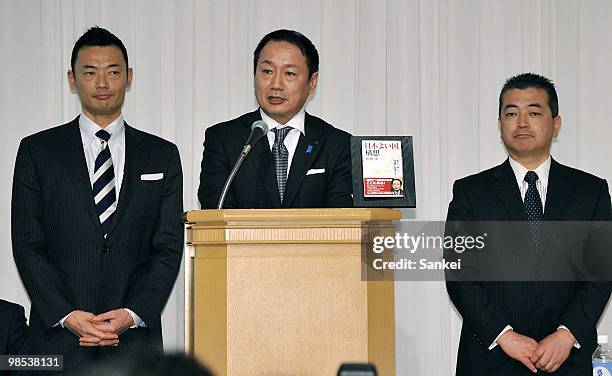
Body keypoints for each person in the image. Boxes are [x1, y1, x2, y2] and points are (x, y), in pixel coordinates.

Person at [11, 27, 183, 371]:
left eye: (113, 72)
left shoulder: (161, 155)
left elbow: (168, 247)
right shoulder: (38, 151)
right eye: (90, 72)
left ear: (129, 77)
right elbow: (28, 244)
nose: (102, 82)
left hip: (134, 342)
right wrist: (68, 315)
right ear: (73, 79)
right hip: (57, 339)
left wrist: (131, 314)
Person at [445, 73, 611, 375]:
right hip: (491, 357)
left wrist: (566, 334)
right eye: (511, 114)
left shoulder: (591, 191)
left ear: (556, 123)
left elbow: (601, 272)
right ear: (500, 124)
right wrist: (503, 335)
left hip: (568, 358)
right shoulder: (470, 192)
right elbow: (459, 274)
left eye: (534, 113)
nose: (522, 122)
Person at [198, 29, 353, 209]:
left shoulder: (337, 145)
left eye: (289, 74)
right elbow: (215, 213)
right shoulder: (223, 140)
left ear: (312, 82)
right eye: (267, 71)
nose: (276, 85)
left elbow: (341, 220)